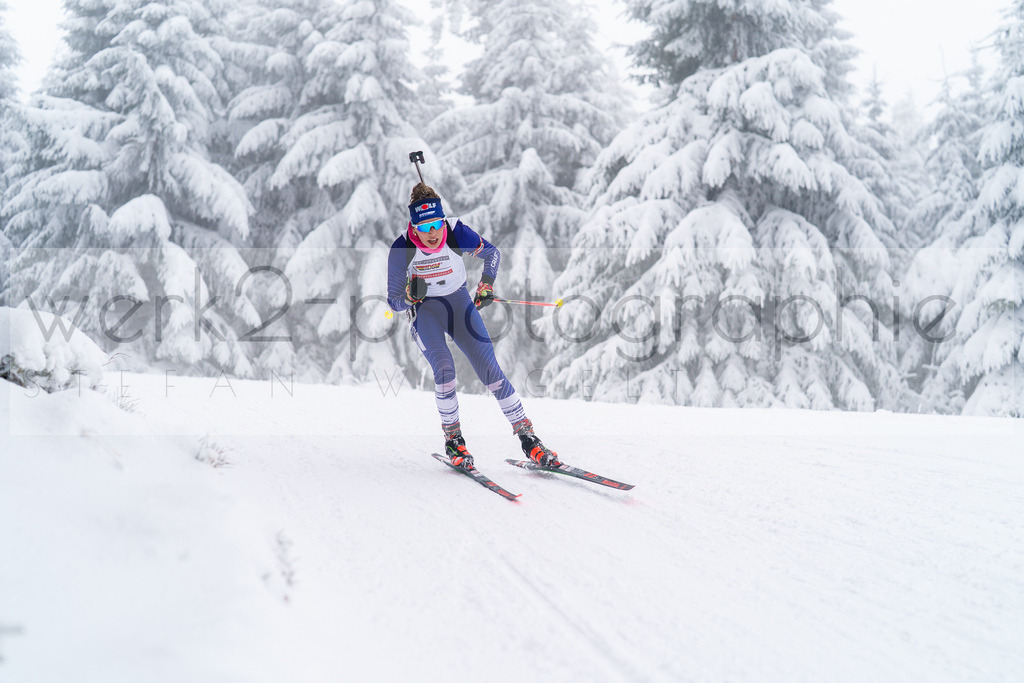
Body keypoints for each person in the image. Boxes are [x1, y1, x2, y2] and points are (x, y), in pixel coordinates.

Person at [387, 182, 558, 470]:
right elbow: (393, 301)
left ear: (442, 220)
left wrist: (486, 285)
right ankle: (454, 441)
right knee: (444, 368)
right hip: (426, 311)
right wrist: (408, 297)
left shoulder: (455, 232)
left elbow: (491, 253)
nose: (432, 234)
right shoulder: (402, 247)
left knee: (491, 370)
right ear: (413, 227)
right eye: (424, 227)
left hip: (458, 304)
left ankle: (529, 439)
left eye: (436, 225)